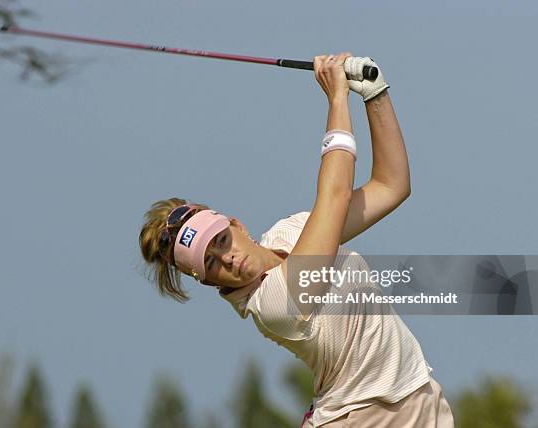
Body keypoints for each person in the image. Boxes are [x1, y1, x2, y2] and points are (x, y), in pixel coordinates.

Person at [139, 53, 454, 427]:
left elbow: (391, 186)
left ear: (237, 225)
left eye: (221, 241)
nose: (226, 259)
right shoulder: (271, 306)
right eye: (210, 263)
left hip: (421, 397)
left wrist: (375, 94)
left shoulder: (291, 232)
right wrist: (338, 98)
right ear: (208, 282)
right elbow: (335, 195)